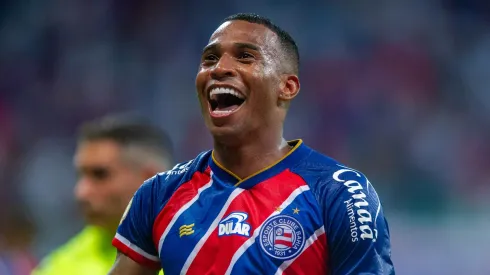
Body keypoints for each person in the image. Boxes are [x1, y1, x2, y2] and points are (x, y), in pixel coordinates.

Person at [109, 13, 395, 275]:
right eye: (209, 59)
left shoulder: (340, 193)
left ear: (287, 87)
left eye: (245, 57)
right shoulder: (159, 194)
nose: (219, 68)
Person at [32, 115, 173, 275]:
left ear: (150, 179)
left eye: (100, 175)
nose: (81, 192)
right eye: (80, 175)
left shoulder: (195, 254)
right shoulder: (59, 266)